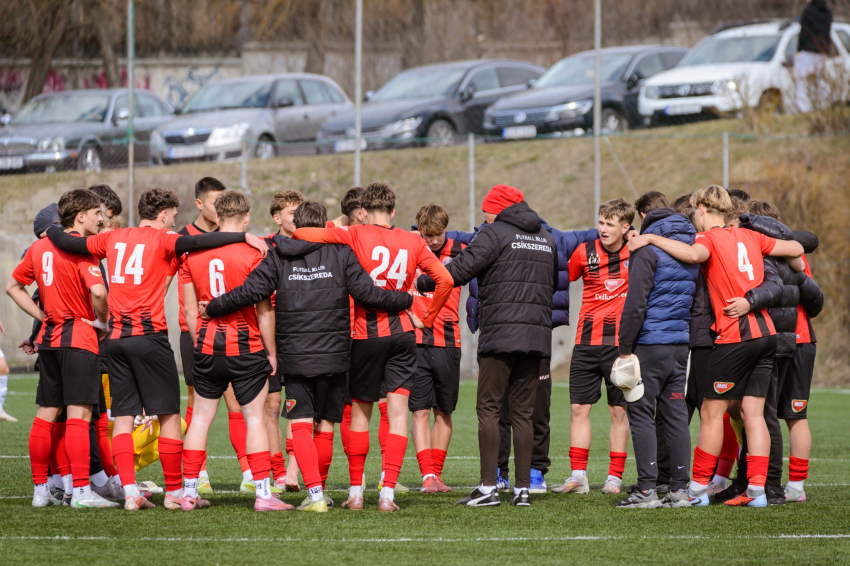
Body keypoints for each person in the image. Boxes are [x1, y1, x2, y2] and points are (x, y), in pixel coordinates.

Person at [44, 186, 268, 511]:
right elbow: (199, 241)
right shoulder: (163, 239)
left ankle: (130, 492)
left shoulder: (112, 237)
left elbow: (70, 242)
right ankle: (175, 492)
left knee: (123, 418)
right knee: (170, 417)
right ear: (163, 214)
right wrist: (241, 236)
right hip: (150, 338)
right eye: (173, 216)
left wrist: (51, 227)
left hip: (116, 339)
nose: (174, 223)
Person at [203, 200, 415, 512]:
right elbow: (368, 294)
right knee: (325, 426)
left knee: (300, 423)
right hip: (335, 354)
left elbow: (251, 291)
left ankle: (315, 496)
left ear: (298, 225)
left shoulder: (278, 254)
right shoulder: (341, 252)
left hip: (295, 355)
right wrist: (406, 300)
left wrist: (214, 306)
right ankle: (323, 491)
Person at [627, 185, 804, 508]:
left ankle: (696, 491)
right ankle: (757, 492)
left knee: (711, 412)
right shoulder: (752, 236)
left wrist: (650, 238)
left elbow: (692, 254)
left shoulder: (708, 239)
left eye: (695, 212)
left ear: (702, 209)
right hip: (767, 334)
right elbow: (795, 247)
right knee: (753, 414)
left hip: (735, 335)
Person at [293, 182, 453, 512]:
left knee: (360, 413)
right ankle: (387, 494)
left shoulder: (355, 233)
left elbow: (304, 234)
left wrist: (338, 225)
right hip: (403, 334)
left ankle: (355, 493)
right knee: (397, 414)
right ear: (393, 211)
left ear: (363, 211)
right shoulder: (413, 240)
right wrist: (428, 316)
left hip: (364, 334)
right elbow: (446, 280)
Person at [418, 184, 558, 507]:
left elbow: (457, 272)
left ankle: (488, 488)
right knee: (524, 414)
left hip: (500, 336)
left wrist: (422, 281)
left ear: (497, 210)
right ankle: (522, 490)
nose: (484, 218)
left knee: (490, 410)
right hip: (537, 338)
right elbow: (551, 285)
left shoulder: (493, 234)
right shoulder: (546, 238)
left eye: (486, 212)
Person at [447, 214, 598, 494]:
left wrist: (629, 232)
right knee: (502, 409)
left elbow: (588, 234)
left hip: (533, 331)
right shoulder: (487, 234)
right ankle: (501, 473)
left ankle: (533, 471)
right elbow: (452, 236)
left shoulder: (550, 236)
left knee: (532, 409)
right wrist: (416, 233)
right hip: (507, 330)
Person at [180, 190, 290, 512]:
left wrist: (200, 341)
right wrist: (272, 352)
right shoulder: (254, 252)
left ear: (216, 216)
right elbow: (264, 311)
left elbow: (190, 311)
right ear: (246, 217)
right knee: (254, 418)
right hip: (246, 346)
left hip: (207, 346)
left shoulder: (193, 254)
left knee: (200, 419)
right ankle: (263, 494)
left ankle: (188, 493)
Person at [6, 189, 117, 508]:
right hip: (79, 339)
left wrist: (42, 316)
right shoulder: (82, 249)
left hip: (49, 341)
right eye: (96, 213)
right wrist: (102, 322)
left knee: (46, 414)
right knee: (79, 417)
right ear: (80, 217)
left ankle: (41, 491)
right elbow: (99, 292)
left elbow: (13, 287)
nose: (101, 218)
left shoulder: (39, 247)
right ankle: (81, 491)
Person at [614, 191, 699, 509]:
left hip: (649, 344)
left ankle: (647, 490)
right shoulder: (691, 246)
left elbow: (636, 303)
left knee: (640, 414)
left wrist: (625, 348)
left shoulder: (646, 248)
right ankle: (679, 490)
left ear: (645, 219)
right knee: (676, 415)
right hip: (679, 345)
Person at [553, 198, 634, 496]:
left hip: (620, 347)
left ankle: (614, 478)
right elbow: (561, 280)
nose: (602, 229)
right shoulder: (584, 252)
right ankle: (578, 476)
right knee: (578, 409)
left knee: (618, 412)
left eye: (609, 224)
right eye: (600, 222)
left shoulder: (636, 252)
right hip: (585, 344)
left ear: (625, 228)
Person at [409, 205, 465, 493]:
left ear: (447, 230)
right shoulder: (408, 250)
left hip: (448, 341)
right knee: (419, 411)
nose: (432, 241)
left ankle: (437, 475)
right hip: (415, 341)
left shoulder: (462, 251)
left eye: (438, 235)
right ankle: (427, 476)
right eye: (426, 235)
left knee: (444, 411)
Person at [795, 0, 833, 113]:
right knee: (819, 78)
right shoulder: (827, 12)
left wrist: (799, 49)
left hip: (808, 51)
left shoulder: (809, 11)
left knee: (802, 79)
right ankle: (826, 103)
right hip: (822, 50)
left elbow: (804, 32)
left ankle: (804, 108)